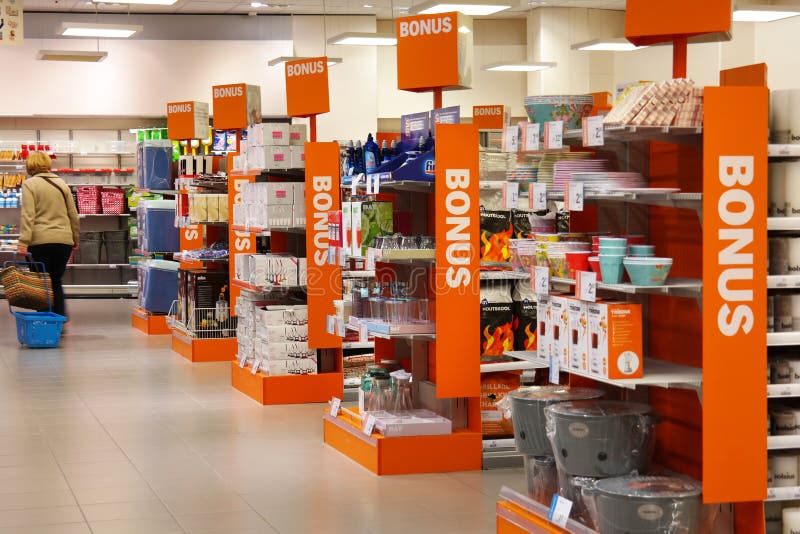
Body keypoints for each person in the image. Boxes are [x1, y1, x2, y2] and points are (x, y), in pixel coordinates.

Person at [16, 151, 80, 318]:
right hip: (63, 242)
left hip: (40, 242)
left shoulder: (30, 184)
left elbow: (28, 215)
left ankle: (45, 323)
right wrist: (75, 238)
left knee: (41, 284)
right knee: (56, 281)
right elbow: (73, 214)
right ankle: (59, 320)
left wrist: (23, 242)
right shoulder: (62, 183)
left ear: (30, 165)